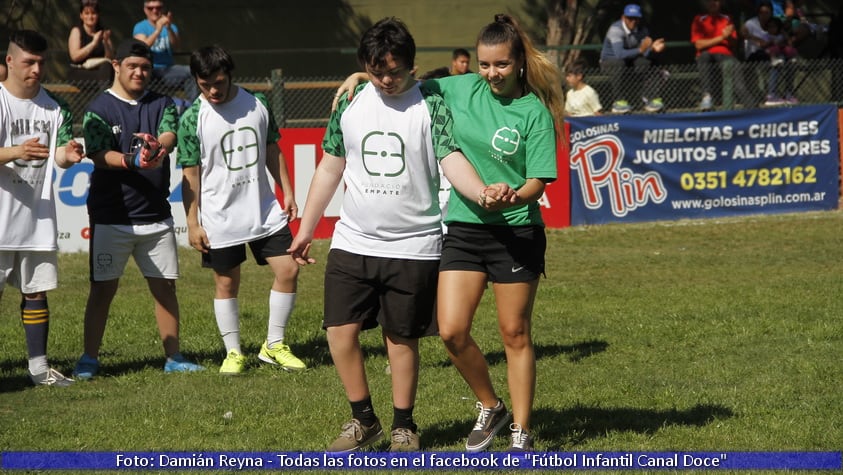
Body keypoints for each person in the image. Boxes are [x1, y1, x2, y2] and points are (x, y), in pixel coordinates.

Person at [335, 12, 562, 452]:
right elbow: (399, 77)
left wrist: (511, 195)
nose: (491, 74)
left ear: (518, 64)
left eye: (500, 65)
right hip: (463, 228)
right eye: (484, 64)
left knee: (514, 333)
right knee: (452, 331)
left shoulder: (533, 111)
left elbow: (538, 182)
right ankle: (490, 406)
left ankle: (521, 431)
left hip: (516, 232)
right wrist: (361, 73)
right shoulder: (460, 88)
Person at [288, 17, 511, 453]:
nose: (386, 80)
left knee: (400, 338)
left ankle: (404, 425)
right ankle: (363, 420)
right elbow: (330, 165)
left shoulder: (432, 103)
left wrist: (480, 192)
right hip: (353, 241)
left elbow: (450, 159)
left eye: (394, 70)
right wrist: (306, 229)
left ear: (411, 65)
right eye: (376, 71)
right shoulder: (349, 102)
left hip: (416, 245)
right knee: (340, 331)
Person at [71, 39, 204, 380]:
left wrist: (159, 145)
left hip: (156, 216)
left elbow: (170, 131)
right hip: (112, 216)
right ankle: (89, 358)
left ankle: (173, 356)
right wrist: (132, 160)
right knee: (103, 289)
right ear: (116, 65)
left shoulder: (162, 102)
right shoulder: (98, 108)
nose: (139, 72)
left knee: (165, 288)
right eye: (132, 66)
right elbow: (98, 154)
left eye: (145, 67)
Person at [178, 45, 306, 375]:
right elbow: (189, 176)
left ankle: (273, 345)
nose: (214, 90)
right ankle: (233, 352)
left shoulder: (257, 104)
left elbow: (272, 149)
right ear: (196, 80)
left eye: (219, 82)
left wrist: (287, 192)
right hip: (221, 217)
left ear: (229, 74)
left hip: (264, 211)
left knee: (289, 270)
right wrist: (193, 223)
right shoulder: (193, 118)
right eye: (205, 85)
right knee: (226, 284)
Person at [0, 30, 85, 387]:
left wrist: (69, 155)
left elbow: (60, 155)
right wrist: (17, 151)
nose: (36, 68)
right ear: (9, 61)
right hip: (1, 219)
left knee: (35, 291)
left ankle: (38, 368)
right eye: (28, 62)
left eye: (41, 62)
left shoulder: (54, 107)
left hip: (37, 216)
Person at [599, 3, 666, 113]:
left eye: (636, 18)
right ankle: (618, 102)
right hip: (609, 62)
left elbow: (644, 52)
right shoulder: (615, 30)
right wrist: (641, 50)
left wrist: (653, 49)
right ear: (623, 18)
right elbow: (619, 54)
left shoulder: (642, 30)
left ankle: (651, 99)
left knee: (650, 61)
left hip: (630, 62)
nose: (633, 21)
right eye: (630, 18)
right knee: (619, 63)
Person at [691, 0, 753, 110]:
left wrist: (728, 37)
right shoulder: (699, 19)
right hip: (706, 56)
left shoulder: (727, 18)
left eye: (716, 1)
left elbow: (734, 42)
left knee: (738, 80)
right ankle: (707, 97)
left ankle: (752, 108)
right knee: (704, 56)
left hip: (725, 55)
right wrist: (722, 38)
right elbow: (699, 45)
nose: (712, 3)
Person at [133, 0, 196, 101]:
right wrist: (158, 30)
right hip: (149, 71)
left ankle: (192, 107)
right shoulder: (140, 27)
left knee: (192, 71)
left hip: (168, 71)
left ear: (163, 9)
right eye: (151, 8)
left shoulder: (171, 26)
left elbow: (177, 47)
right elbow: (142, 47)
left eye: (158, 8)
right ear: (145, 10)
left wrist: (169, 28)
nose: (155, 11)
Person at [67, 0, 113, 82]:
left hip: (100, 71)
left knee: (108, 69)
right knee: (104, 76)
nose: (90, 17)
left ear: (98, 15)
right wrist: (93, 44)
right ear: (81, 15)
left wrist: (105, 42)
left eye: (93, 13)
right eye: (87, 13)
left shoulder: (102, 32)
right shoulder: (76, 31)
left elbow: (109, 59)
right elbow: (75, 57)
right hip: (79, 71)